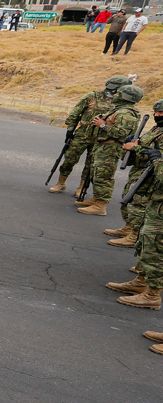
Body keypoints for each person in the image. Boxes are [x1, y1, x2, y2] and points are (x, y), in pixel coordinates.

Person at [111, 131, 163, 314]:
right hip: (156, 202)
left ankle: (152, 295)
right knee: (146, 244)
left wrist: (156, 158)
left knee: (154, 251)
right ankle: (142, 282)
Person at [75, 85, 144, 217]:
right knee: (97, 174)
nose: (115, 95)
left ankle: (101, 206)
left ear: (126, 97)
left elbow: (122, 134)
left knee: (104, 176)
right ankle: (96, 199)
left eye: (119, 94)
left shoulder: (126, 114)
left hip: (110, 149)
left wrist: (103, 125)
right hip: (103, 146)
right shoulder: (119, 110)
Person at [105, 100, 163, 249]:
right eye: (155, 112)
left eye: (161, 113)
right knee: (128, 200)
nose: (157, 115)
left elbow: (157, 155)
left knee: (138, 205)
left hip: (151, 176)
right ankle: (129, 227)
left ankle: (134, 235)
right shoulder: (158, 129)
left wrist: (137, 148)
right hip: (139, 170)